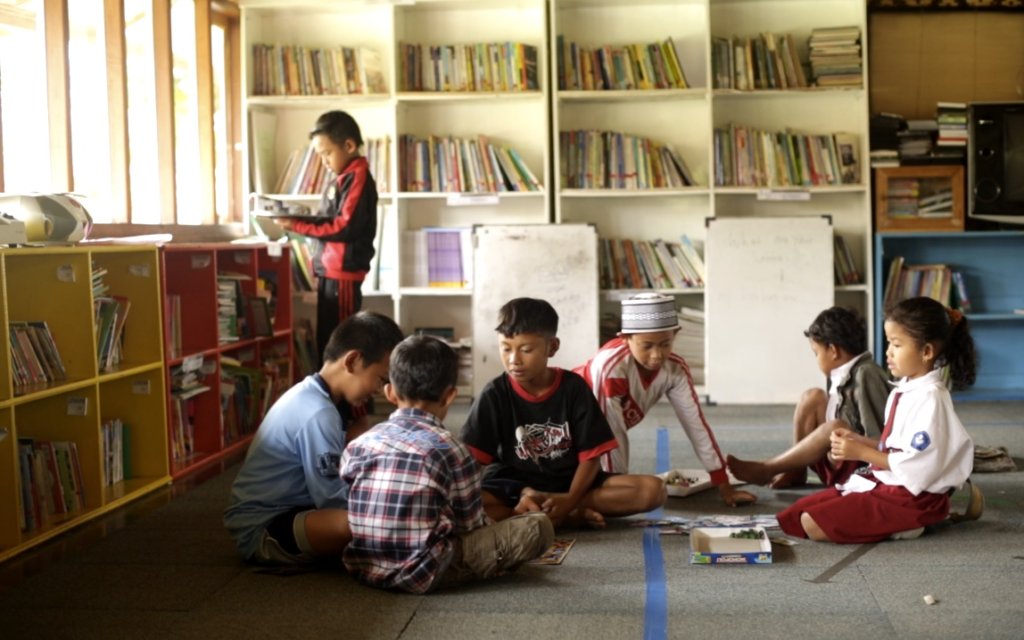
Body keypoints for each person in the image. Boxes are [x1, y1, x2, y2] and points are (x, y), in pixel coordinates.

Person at [341, 335, 554, 594]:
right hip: (425, 574)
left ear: (390, 392)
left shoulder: (360, 443)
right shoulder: (451, 449)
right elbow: (471, 526)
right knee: (537, 527)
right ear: (450, 396)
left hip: (363, 567)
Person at [777, 297, 981, 543]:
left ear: (926, 351)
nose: (888, 352)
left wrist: (861, 453)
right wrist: (860, 441)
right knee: (794, 515)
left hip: (912, 499)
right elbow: (897, 448)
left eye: (897, 344)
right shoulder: (904, 388)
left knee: (813, 523)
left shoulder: (931, 399)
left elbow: (917, 466)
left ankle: (908, 524)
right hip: (889, 483)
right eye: (888, 343)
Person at [460, 297, 666, 529]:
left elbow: (591, 457)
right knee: (458, 502)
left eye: (526, 350)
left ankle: (550, 512)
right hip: (515, 489)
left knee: (652, 490)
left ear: (552, 347)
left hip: (572, 484)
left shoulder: (573, 388)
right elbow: (471, 464)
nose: (513, 360)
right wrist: (522, 492)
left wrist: (569, 499)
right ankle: (561, 515)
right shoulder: (494, 394)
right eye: (505, 348)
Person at [223, 311, 403, 565]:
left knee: (372, 512)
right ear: (352, 361)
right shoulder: (318, 412)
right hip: (263, 527)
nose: (380, 391)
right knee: (357, 523)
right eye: (381, 379)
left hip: (291, 512)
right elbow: (330, 498)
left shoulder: (312, 394)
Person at [575, 293, 757, 507]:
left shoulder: (675, 369)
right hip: (569, 440)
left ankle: (576, 500)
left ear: (675, 334)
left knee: (647, 492)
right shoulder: (610, 367)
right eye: (647, 346)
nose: (657, 355)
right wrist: (618, 490)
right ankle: (573, 502)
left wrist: (723, 483)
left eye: (665, 344)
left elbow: (695, 425)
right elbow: (609, 433)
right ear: (625, 338)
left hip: (593, 448)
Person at [727, 306, 891, 490]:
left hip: (860, 467)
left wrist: (849, 441)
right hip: (838, 457)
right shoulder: (842, 374)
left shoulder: (866, 374)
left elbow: (881, 437)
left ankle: (768, 469)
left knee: (836, 427)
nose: (816, 359)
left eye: (816, 353)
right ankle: (794, 469)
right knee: (812, 396)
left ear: (833, 350)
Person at [275, 110, 377, 368]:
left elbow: (344, 226)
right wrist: (298, 219)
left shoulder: (358, 176)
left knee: (342, 346)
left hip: (343, 273)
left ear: (349, 146)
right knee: (329, 343)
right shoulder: (343, 177)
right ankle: (335, 403)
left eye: (327, 153)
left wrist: (297, 224)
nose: (323, 161)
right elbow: (328, 219)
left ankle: (347, 408)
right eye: (319, 155)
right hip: (331, 271)